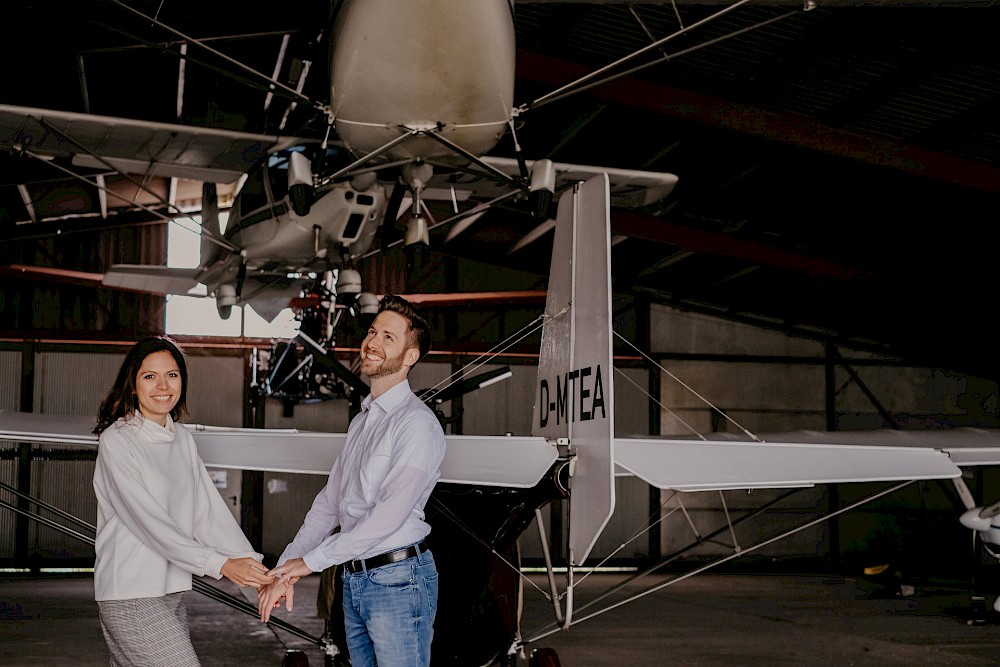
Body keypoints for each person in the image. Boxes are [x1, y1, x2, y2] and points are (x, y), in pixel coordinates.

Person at [258, 294, 446, 667]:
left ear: (411, 356)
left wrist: (311, 563)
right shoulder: (362, 422)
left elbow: (388, 517)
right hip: (355, 578)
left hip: (398, 580)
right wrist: (287, 568)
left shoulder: (416, 424)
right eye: (373, 332)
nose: (373, 343)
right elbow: (330, 504)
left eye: (388, 337)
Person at [92, 335, 274, 666]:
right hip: (130, 592)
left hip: (170, 590)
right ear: (132, 385)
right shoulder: (118, 440)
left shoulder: (182, 439)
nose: (163, 385)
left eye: (172, 375)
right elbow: (149, 524)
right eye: (150, 376)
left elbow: (207, 512)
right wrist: (220, 564)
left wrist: (251, 565)